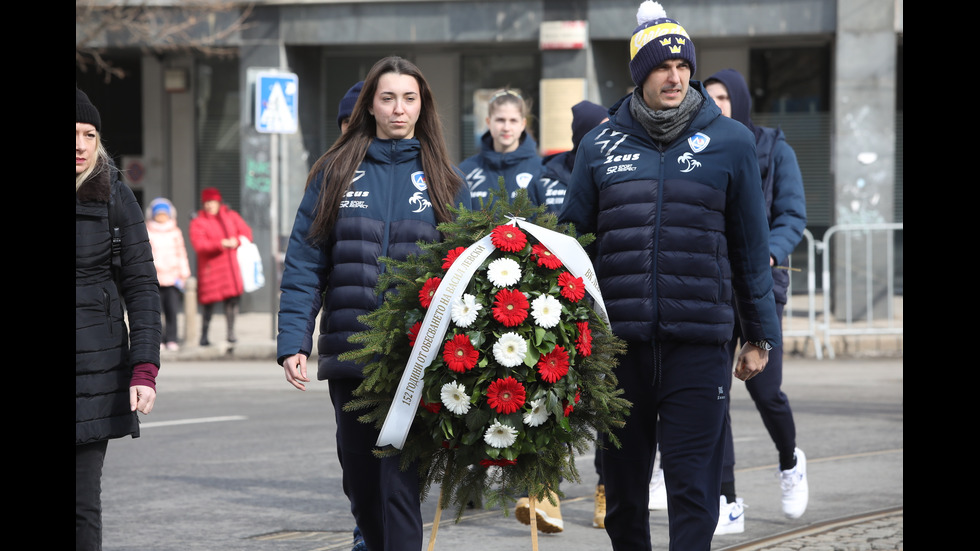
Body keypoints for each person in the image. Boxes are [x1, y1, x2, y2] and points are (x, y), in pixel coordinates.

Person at [558, 3, 781, 550]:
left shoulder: (730, 142)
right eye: (662, 66)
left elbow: (750, 247)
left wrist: (759, 333)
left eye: (683, 65)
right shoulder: (600, 145)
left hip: (699, 343)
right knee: (626, 495)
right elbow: (569, 244)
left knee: (693, 489)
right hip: (619, 348)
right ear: (640, 74)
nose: (676, 76)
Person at [277, 56, 472, 551]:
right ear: (370, 105)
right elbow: (305, 263)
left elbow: (470, 272)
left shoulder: (444, 179)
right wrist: (293, 341)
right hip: (351, 355)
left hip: (417, 359)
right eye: (388, 98)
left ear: (422, 105)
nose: (398, 108)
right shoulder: (334, 172)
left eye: (409, 98)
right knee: (363, 486)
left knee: (399, 486)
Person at [703, 67, 809, 535]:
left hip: (762, 286)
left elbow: (792, 214)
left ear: (740, 100)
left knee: (765, 391)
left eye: (724, 97)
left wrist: (767, 250)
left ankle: (790, 460)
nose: (717, 105)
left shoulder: (774, 149)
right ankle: (727, 498)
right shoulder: (702, 147)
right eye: (709, 98)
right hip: (711, 289)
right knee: (714, 395)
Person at [76, 86, 161, 551]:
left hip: (96, 371)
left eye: (90, 134)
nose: (81, 145)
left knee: (82, 503)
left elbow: (143, 286)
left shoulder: (112, 194)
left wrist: (145, 368)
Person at [189, 187, 253, 346]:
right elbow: (199, 245)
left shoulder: (231, 217)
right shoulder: (198, 221)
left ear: (219, 202)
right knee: (208, 306)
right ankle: (204, 336)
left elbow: (246, 233)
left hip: (231, 269)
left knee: (232, 302)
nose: (210, 205)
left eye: (213, 201)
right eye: (207, 202)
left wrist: (236, 241)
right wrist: (220, 244)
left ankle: (231, 334)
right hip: (210, 270)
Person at [458, 88, 543, 204]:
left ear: (523, 124)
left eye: (513, 120)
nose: (506, 128)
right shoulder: (466, 170)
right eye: (500, 120)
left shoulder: (541, 169)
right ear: (488, 122)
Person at [529, 100, 608, 216]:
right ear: (585, 135)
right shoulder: (546, 178)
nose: (610, 135)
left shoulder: (618, 170)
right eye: (603, 130)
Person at [146, 197, 192, 351]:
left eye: (164, 214)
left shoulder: (175, 232)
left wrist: (184, 273)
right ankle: (158, 339)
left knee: (172, 311)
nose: (161, 217)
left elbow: (181, 253)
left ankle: (172, 338)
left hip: (173, 279)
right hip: (155, 279)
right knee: (155, 312)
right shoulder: (148, 232)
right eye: (158, 214)